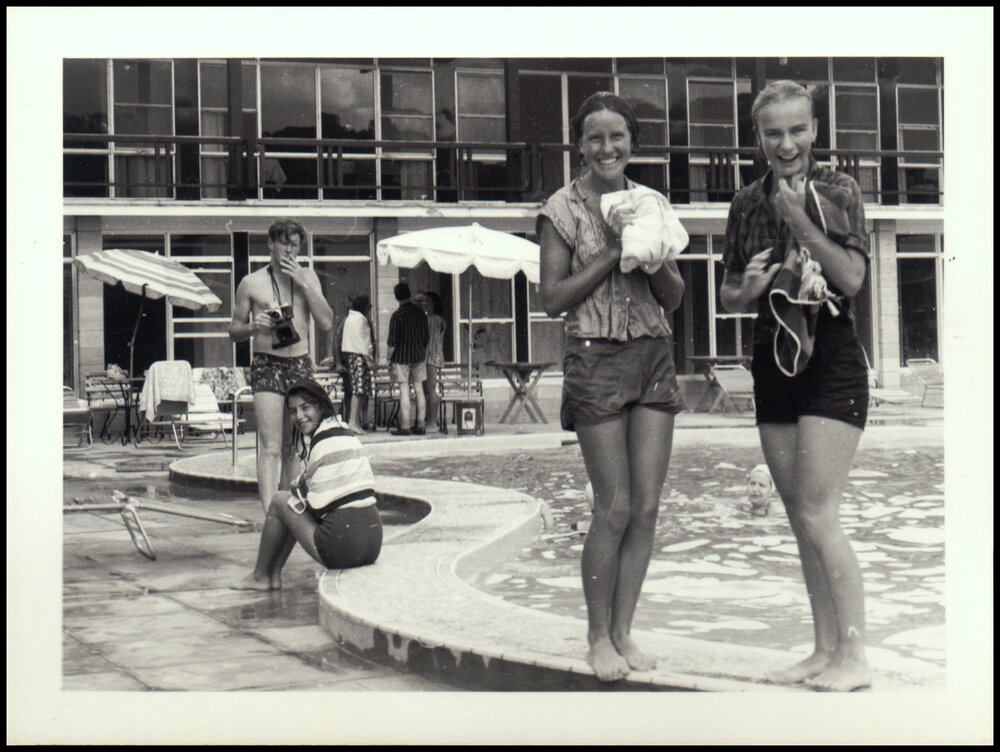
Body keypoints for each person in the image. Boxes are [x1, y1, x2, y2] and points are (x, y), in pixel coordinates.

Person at [720, 81, 872, 692]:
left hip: (831, 355)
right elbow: (731, 293)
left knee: (817, 510)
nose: (787, 144)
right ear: (757, 137)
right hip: (773, 355)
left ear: (814, 129)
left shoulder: (838, 190)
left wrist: (798, 220)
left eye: (798, 130)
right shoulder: (743, 202)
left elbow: (854, 277)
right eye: (773, 133)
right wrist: (748, 290)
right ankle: (822, 649)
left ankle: (856, 657)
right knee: (797, 513)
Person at [538, 92, 686, 682]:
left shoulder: (651, 202)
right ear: (581, 144)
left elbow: (674, 297)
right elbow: (551, 299)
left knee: (646, 508)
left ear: (633, 144)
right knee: (614, 507)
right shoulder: (561, 208)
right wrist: (613, 252)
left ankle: (624, 630)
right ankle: (597, 636)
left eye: (617, 137)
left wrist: (652, 259)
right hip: (595, 358)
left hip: (652, 353)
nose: (607, 148)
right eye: (595, 138)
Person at [232, 379, 382, 591]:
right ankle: (272, 574)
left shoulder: (323, 443)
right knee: (292, 505)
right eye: (293, 411)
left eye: (306, 408)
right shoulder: (343, 431)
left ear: (320, 406)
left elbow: (316, 508)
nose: (299, 417)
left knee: (280, 501)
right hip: (372, 543)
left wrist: (299, 491)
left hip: (345, 548)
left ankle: (261, 576)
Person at [229, 219, 334, 515]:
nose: (290, 250)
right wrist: (252, 326)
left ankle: (290, 509)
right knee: (270, 444)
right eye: (284, 243)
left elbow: (326, 322)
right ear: (271, 245)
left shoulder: (308, 276)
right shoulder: (251, 282)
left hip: (299, 363)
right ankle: (269, 514)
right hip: (267, 363)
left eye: (295, 245)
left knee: (295, 443)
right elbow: (233, 331)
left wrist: (304, 285)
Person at [386, 282, 429, 436]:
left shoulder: (396, 316)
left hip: (401, 358)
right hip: (419, 356)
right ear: (409, 294)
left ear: (396, 297)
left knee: (404, 390)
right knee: (419, 389)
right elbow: (426, 338)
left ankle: (405, 426)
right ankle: (421, 425)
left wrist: (388, 359)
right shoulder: (420, 313)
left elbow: (392, 342)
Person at [341, 294, 375, 435]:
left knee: (359, 390)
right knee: (359, 390)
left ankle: (354, 421)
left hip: (352, 356)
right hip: (360, 356)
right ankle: (353, 422)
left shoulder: (350, 319)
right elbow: (364, 342)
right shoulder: (360, 320)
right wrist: (368, 359)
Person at [417, 291, 447, 432]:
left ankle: (433, 422)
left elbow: (431, 342)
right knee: (426, 390)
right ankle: (430, 420)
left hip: (430, 357)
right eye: (422, 301)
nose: (424, 304)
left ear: (434, 303)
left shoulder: (434, 320)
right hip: (429, 357)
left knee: (430, 389)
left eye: (427, 302)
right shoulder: (434, 319)